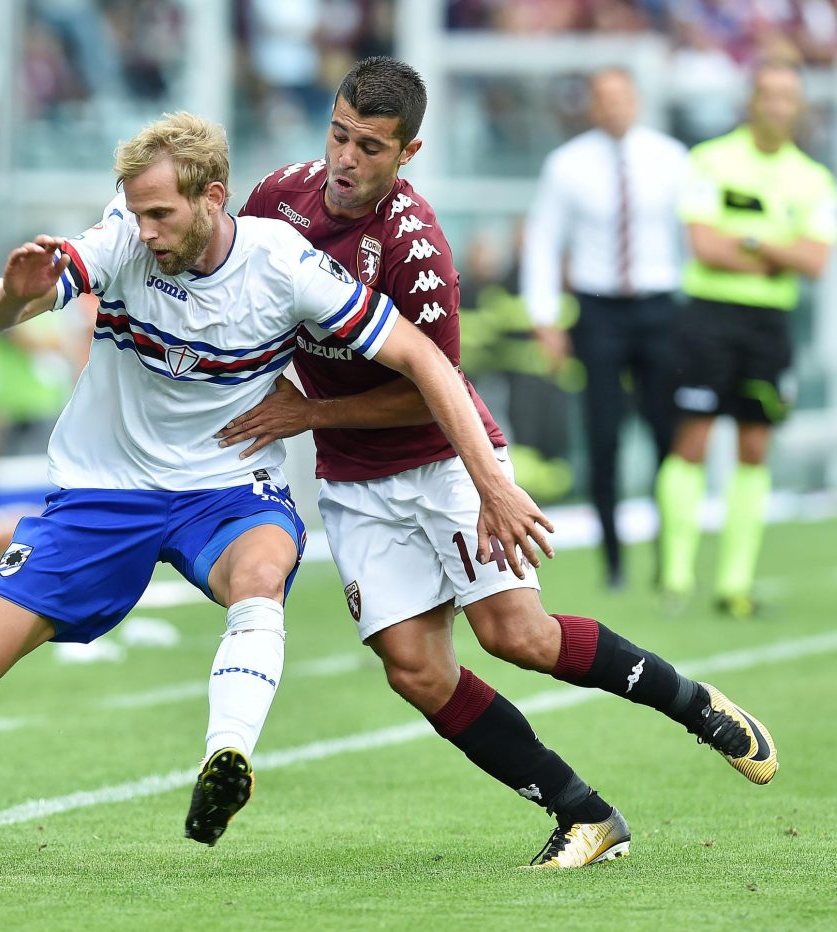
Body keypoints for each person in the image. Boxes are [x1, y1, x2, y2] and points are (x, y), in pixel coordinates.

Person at [0, 110, 552, 861]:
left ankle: (225, 756)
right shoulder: (121, 238)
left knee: (262, 574)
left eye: (161, 213)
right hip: (104, 487)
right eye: (136, 211)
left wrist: (491, 481)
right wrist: (12, 297)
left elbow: (425, 359)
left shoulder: (285, 265)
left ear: (214, 198)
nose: (145, 230)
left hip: (227, 486)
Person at [226, 56, 778, 869]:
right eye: (340, 135)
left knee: (518, 636)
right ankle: (585, 815)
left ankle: (696, 706)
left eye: (371, 147)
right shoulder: (278, 198)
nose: (346, 159)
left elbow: (432, 389)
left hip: (442, 458)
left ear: (407, 153)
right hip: (352, 478)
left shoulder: (416, 249)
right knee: (414, 669)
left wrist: (315, 415)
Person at [655, 60, 836, 618]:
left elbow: (814, 259)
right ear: (751, 101)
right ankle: (677, 575)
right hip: (709, 318)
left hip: (768, 327)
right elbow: (705, 246)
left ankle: (735, 584)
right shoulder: (711, 159)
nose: (779, 106)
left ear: (797, 107)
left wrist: (749, 241)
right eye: (769, 94)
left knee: (754, 448)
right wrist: (773, 248)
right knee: (694, 438)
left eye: (789, 97)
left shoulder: (813, 178)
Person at [521, 67, 688, 589]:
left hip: (660, 307)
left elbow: (692, 235)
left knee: (669, 435)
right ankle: (614, 562)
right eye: (603, 97)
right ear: (592, 104)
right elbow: (545, 240)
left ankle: (672, 557)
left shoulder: (671, 159)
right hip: (598, 311)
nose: (613, 106)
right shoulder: (567, 166)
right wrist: (544, 316)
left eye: (621, 96)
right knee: (603, 434)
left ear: (635, 100)